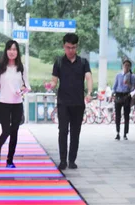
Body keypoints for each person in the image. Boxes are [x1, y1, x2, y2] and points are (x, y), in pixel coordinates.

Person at [47, 33, 93, 170]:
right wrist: (50, 85)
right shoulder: (59, 62)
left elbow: (89, 78)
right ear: (64, 46)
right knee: (62, 131)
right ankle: (62, 160)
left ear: (77, 47)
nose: (70, 50)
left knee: (75, 132)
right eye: (68, 47)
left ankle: (72, 160)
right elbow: (54, 81)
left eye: (73, 47)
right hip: (63, 103)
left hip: (78, 103)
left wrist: (89, 93)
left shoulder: (83, 62)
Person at [0, 40, 30, 168]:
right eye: (10, 49)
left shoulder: (22, 68)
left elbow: (26, 84)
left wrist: (22, 89)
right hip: (3, 103)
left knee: (14, 132)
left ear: (17, 52)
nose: (12, 52)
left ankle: (10, 160)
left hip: (17, 103)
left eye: (14, 49)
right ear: (6, 51)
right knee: (6, 130)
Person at [112, 59, 135, 141]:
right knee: (117, 115)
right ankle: (117, 132)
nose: (127, 67)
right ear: (123, 66)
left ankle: (125, 133)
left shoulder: (132, 76)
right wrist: (113, 94)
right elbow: (114, 86)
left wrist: (129, 84)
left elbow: (133, 88)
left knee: (126, 115)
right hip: (118, 95)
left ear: (130, 67)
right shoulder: (118, 75)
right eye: (125, 65)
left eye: (128, 65)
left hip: (126, 96)